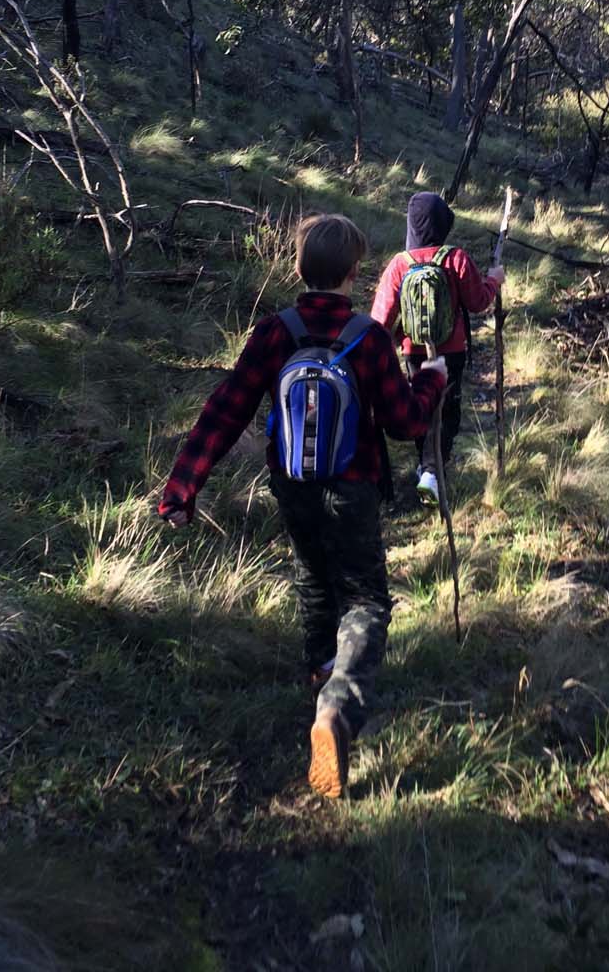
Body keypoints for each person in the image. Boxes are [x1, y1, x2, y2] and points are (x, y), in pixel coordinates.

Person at [157, 213, 446, 799]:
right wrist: (433, 382)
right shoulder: (368, 337)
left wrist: (182, 487)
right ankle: (337, 707)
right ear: (354, 272)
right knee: (366, 601)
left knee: (314, 579)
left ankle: (320, 678)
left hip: (292, 485)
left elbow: (226, 409)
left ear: (298, 268)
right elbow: (404, 422)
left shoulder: (273, 332)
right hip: (354, 487)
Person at [371, 192, 504, 505]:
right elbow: (478, 302)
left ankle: (426, 465)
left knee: (421, 402)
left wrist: (390, 343)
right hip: (452, 350)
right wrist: (494, 280)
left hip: (413, 350)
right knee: (448, 408)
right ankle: (433, 469)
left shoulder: (398, 264)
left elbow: (380, 321)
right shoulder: (454, 258)